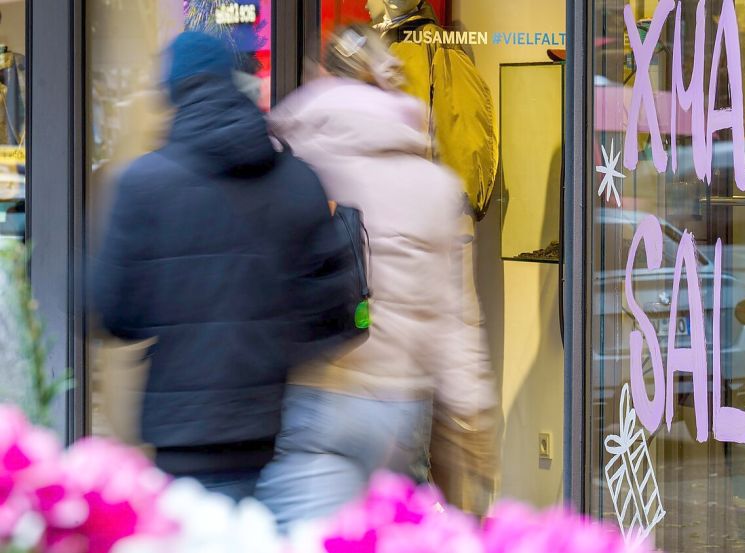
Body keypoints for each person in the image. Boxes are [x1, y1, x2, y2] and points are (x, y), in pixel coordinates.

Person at [92, 31, 356, 501]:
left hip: (181, 437)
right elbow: (335, 314)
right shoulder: (297, 180)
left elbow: (117, 317)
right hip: (277, 431)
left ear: (171, 93)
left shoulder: (143, 184)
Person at [254, 24, 496, 527]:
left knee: (308, 535)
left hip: (318, 391)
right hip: (399, 407)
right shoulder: (435, 185)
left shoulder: (294, 161)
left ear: (323, 75)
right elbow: (455, 320)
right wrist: (472, 423)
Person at [367, 0, 502, 516]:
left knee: (426, 376)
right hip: (430, 226)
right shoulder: (436, 49)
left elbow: (466, 148)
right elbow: (475, 151)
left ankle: (440, 511)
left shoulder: (419, 50)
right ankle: (447, 509)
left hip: (417, 230)